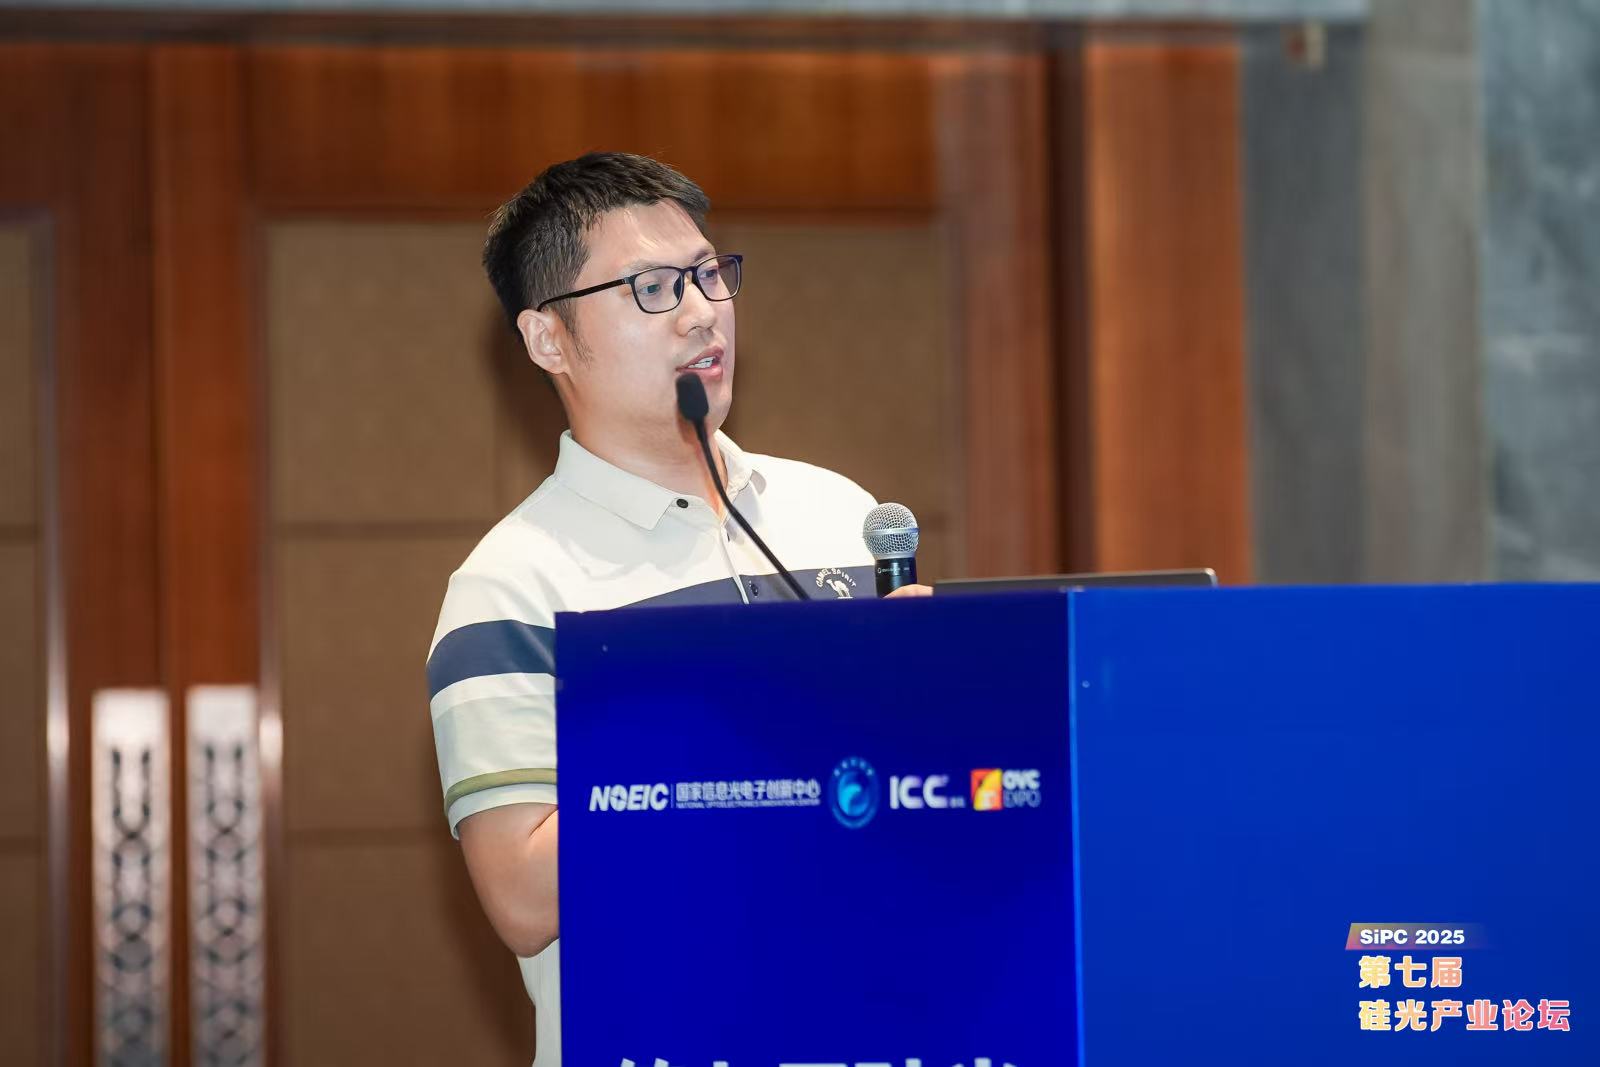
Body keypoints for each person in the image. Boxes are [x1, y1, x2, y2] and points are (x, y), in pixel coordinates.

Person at [424, 151, 928, 1066]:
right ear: (548, 338)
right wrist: (745, 721)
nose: (702, 310)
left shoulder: (837, 514)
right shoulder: (512, 584)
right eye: (653, 288)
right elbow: (524, 899)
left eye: (708, 273)